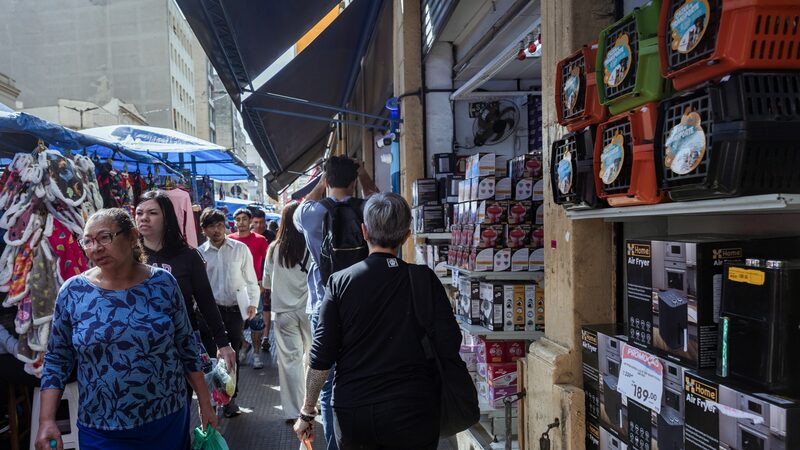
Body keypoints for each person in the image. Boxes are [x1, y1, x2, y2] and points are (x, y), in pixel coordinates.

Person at [36, 208, 217, 450]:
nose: (96, 248)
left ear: (132, 237)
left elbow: (186, 346)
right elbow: (57, 358)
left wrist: (205, 403)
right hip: (101, 426)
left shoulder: (163, 283)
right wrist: (46, 420)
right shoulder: (73, 292)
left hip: (166, 420)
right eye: (88, 241)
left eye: (104, 237)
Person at [293, 193, 460, 449]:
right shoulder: (423, 279)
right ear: (406, 235)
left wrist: (307, 412)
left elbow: (321, 357)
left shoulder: (340, 282)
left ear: (364, 231)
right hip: (413, 408)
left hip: (354, 412)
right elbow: (450, 341)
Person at [294, 156, 378, 450]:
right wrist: (364, 175)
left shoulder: (311, 214)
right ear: (354, 180)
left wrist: (321, 180)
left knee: (327, 387)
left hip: (324, 306)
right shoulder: (368, 209)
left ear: (327, 180)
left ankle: (334, 445)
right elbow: (381, 201)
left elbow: (304, 205)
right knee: (365, 376)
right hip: (365, 307)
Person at [134, 191, 236, 371]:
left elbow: (206, 302)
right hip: (138, 348)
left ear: (167, 218)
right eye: (139, 213)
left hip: (182, 346)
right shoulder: (128, 258)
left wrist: (223, 343)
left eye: (152, 213)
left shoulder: (188, 257)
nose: (144, 218)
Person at [198, 208, 260, 418]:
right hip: (209, 314)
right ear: (203, 230)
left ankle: (230, 399)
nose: (216, 230)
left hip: (234, 311)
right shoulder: (199, 254)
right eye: (211, 226)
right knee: (212, 359)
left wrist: (252, 304)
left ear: (225, 226)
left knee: (231, 356)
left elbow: (251, 279)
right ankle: (214, 399)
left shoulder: (240, 249)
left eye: (220, 225)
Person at [263, 202, 311, 425]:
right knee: (313, 357)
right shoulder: (311, 245)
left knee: (289, 361)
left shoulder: (274, 248)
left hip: (283, 311)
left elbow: (266, 283)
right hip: (309, 309)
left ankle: (294, 411)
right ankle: (313, 403)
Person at [229, 208, 269, 370]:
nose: (241, 223)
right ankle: (244, 345)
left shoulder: (260, 240)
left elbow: (267, 264)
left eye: (244, 219)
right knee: (234, 323)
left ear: (250, 221)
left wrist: (263, 283)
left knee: (256, 323)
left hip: (254, 288)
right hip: (235, 288)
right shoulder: (229, 239)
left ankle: (257, 355)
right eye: (238, 219)